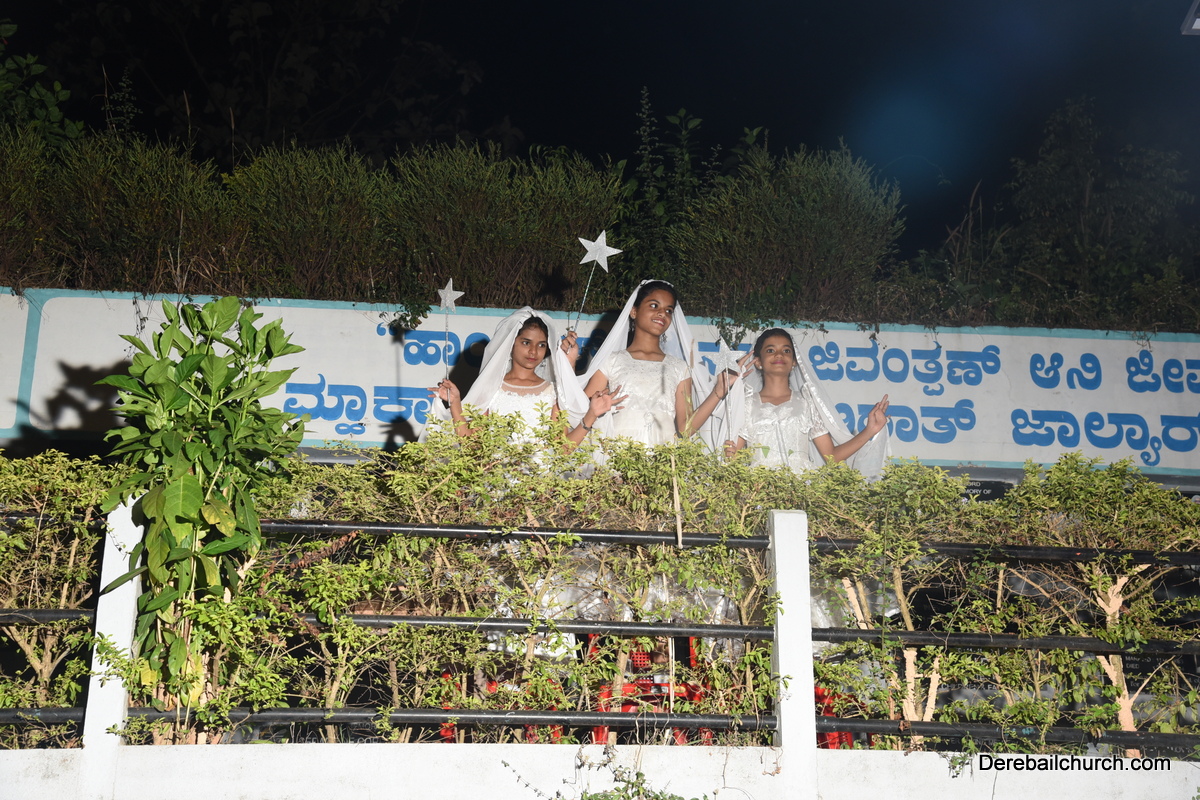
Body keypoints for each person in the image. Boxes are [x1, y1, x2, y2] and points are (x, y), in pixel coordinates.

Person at [426, 308, 622, 446]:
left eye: (541, 345)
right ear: (511, 343)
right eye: (526, 342)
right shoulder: (492, 388)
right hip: (496, 482)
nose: (533, 351)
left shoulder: (553, 392)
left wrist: (591, 415)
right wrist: (455, 403)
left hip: (539, 486)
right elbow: (473, 446)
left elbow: (562, 448)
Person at [579, 280, 736, 446]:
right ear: (634, 311)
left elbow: (685, 429)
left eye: (669, 310)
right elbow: (581, 410)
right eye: (654, 306)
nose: (662, 314)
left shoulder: (679, 367)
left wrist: (718, 391)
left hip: (662, 457)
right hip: (617, 455)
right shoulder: (611, 361)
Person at [724, 328, 890, 477]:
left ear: (794, 361)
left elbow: (832, 457)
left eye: (786, 350)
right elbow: (732, 459)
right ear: (758, 361)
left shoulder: (806, 402)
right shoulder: (746, 403)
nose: (779, 355)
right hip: (758, 489)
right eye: (770, 350)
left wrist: (870, 430)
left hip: (801, 488)